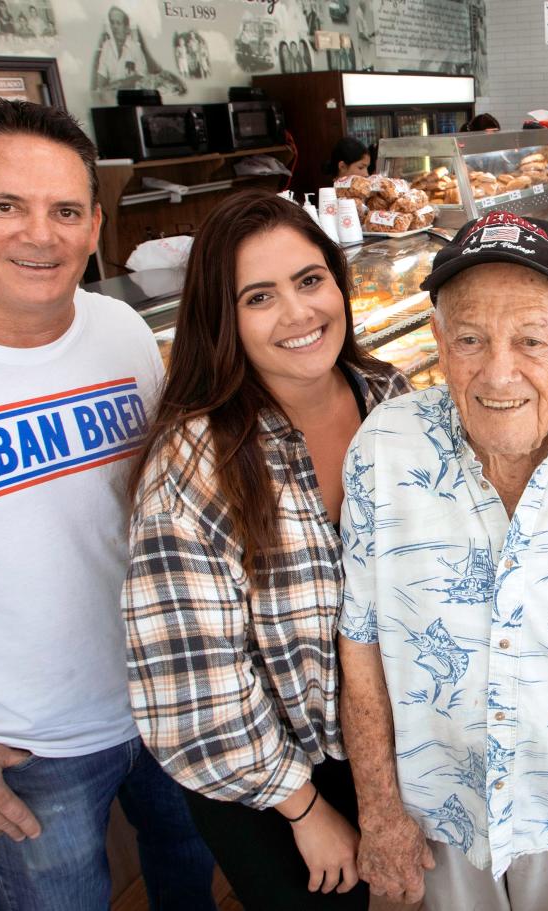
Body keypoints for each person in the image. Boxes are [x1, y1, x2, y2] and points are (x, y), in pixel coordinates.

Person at [0, 100, 216, 910]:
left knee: (188, 886)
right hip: (23, 752)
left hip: (172, 699)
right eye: (5, 206)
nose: (40, 235)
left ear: (95, 226)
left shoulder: (121, 329)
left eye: (64, 211)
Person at [337, 212, 548, 910]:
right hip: (439, 813)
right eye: (469, 339)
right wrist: (377, 811)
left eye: (531, 341)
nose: (498, 372)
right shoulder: (384, 448)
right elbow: (361, 646)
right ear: (438, 342)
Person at [123, 191, 411, 910]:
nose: (299, 313)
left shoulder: (391, 398)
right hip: (274, 775)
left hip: (395, 742)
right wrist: (307, 810)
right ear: (224, 320)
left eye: (310, 280)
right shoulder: (197, 463)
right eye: (260, 296)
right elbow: (196, 692)